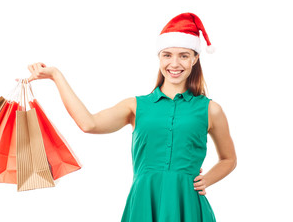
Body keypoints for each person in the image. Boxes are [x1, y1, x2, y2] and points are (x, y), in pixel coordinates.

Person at [25, 12, 237, 222]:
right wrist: (56, 76)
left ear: (195, 58)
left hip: (188, 205)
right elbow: (88, 124)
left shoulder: (210, 110)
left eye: (183, 55)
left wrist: (208, 179)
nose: (175, 63)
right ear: (159, 57)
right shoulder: (135, 106)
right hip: (144, 203)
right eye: (167, 55)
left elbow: (229, 159)